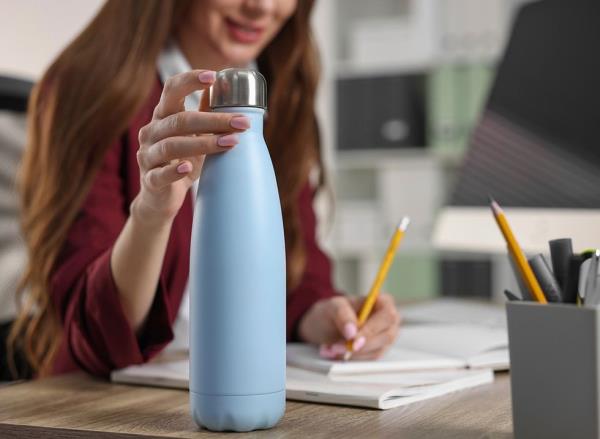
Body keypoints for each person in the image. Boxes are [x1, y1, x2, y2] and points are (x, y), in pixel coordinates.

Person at [8, 0, 400, 378]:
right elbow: (94, 330)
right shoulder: (96, 88)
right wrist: (152, 213)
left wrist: (324, 317)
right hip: (113, 398)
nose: (262, 6)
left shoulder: (275, 88)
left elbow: (298, 266)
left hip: (243, 379)